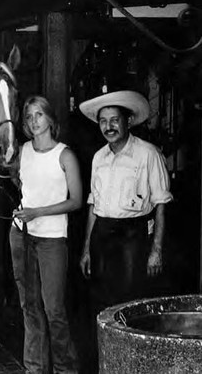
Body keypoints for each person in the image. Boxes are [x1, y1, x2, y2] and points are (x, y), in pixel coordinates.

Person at [78, 90, 173, 371]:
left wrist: (155, 250)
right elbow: (93, 206)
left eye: (115, 120)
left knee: (130, 304)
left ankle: (130, 365)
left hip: (133, 237)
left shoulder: (147, 154)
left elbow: (161, 204)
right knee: (100, 305)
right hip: (101, 235)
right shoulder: (98, 158)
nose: (109, 126)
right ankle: (106, 364)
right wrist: (86, 248)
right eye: (103, 121)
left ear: (128, 121)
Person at [10, 96, 81, 374]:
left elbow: (75, 201)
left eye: (39, 115)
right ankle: (35, 368)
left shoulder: (65, 155)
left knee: (54, 310)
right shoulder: (22, 151)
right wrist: (26, 209)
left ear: (50, 118)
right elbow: (17, 180)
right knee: (29, 307)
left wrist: (37, 211)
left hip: (52, 239)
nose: (33, 121)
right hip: (21, 235)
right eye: (28, 117)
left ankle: (65, 369)